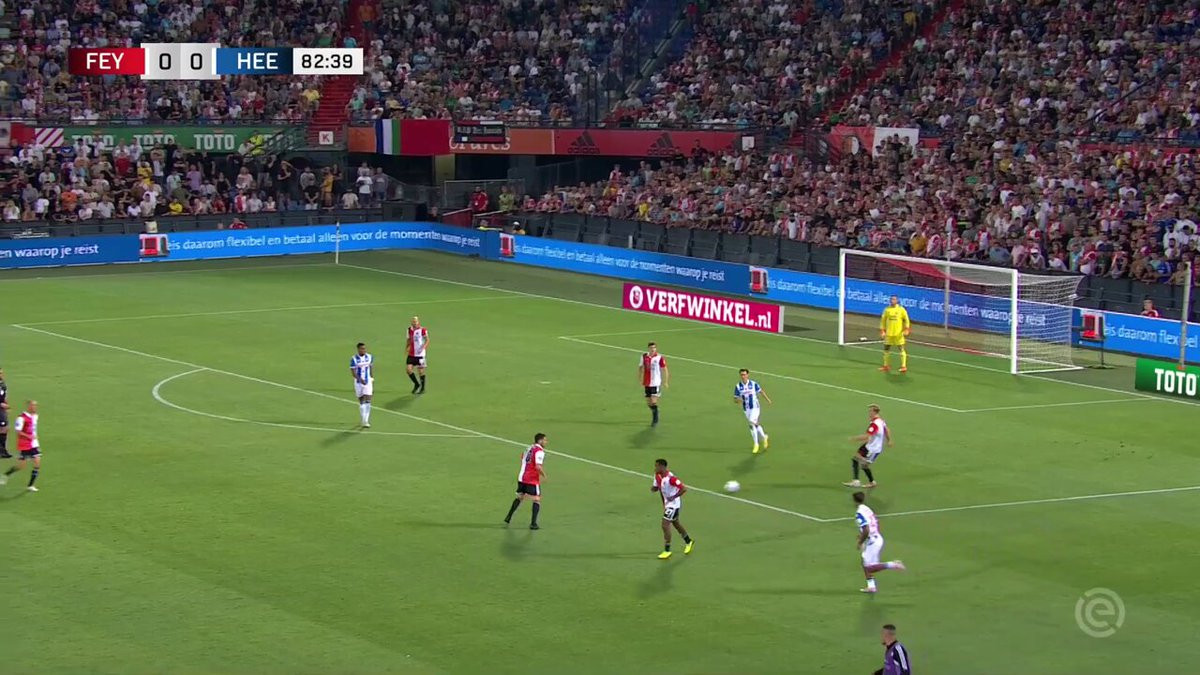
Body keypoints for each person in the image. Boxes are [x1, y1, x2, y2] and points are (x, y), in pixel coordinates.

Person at [852, 492, 905, 593]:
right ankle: (871, 586)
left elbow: (866, 529)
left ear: (854, 501)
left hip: (872, 542)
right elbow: (873, 523)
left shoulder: (859, 513)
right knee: (864, 562)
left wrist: (860, 541)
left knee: (869, 568)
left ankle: (893, 564)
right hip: (876, 538)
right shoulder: (867, 509)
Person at [652, 458, 693, 559]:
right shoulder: (657, 476)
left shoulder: (671, 478)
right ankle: (688, 541)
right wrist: (654, 488)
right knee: (676, 523)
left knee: (665, 524)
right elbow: (657, 487)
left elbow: (683, 489)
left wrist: (673, 497)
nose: (655, 468)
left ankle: (667, 550)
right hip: (667, 505)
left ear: (662, 466)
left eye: (657, 466)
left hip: (674, 505)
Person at [505, 433, 547, 529]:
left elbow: (522, 458)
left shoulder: (528, 448)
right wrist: (544, 475)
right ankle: (533, 524)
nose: (546, 442)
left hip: (522, 477)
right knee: (536, 499)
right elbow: (538, 466)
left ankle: (508, 517)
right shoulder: (539, 451)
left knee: (520, 497)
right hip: (532, 479)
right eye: (545, 440)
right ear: (540, 441)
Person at [845, 404, 891, 488]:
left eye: (870, 411)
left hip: (872, 448)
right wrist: (889, 440)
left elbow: (867, 436)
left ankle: (865, 482)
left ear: (874, 412)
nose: (869, 413)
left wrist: (854, 438)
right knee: (856, 459)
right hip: (869, 445)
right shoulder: (880, 421)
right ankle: (861, 481)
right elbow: (886, 430)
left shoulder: (875, 424)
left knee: (863, 464)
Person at [1, 400, 41, 492]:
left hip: (34, 444)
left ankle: (30, 485)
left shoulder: (35, 416)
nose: (35, 407)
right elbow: (18, 431)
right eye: (33, 405)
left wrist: (33, 437)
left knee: (37, 463)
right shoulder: (21, 418)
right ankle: (6, 475)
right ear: (29, 406)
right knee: (21, 466)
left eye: (36, 405)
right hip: (25, 445)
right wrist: (29, 436)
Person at [734, 369, 772, 454]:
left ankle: (756, 444)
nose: (743, 376)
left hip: (755, 407)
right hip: (746, 409)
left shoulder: (753, 384)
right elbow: (735, 399)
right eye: (741, 375)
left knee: (751, 423)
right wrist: (739, 400)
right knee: (755, 425)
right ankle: (764, 437)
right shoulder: (738, 386)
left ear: (748, 375)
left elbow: (761, 391)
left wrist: (768, 399)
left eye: (744, 374)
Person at [639, 342, 669, 426]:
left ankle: (655, 420)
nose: (653, 349)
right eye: (651, 348)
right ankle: (656, 410)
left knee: (653, 401)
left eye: (654, 348)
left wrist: (665, 381)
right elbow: (640, 368)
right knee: (648, 403)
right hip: (647, 383)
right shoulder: (644, 356)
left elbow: (665, 369)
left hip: (655, 383)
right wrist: (640, 379)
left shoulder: (659, 357)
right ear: (648, 348)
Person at [879, 296, 911, 373]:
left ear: (897, 301)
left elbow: (906, 319)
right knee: (886, 349)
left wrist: (907, 329)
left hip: (898, 334)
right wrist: (882, 330)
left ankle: (903, 366)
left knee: (901, 349)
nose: (892, 301)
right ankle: (886, 366)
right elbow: (883, 320)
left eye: (894, 299)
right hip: (889, 334)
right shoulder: (887, 310)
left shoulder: (901, 309)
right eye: (891, 299)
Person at [350, 342, 374, 428]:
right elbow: (353, 373)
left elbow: (370, 367)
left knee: (368, 400)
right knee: (362, 402)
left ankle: (365, 421)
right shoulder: (354, 359)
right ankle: (363, 419)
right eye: (362, 349)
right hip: (358, 383)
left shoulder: (370, 357)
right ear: (358, 349)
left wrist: (371, 377)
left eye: (365, 348)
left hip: (368, 382)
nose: (364, 350)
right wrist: (360, 380)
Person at [405, 316, 429, 394]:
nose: (414, 323)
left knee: (421, 371)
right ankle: (416, 384)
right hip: (411, 354)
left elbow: (427, 340)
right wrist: (406, 348)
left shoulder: (423, 330)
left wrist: (423, 348)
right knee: (408, 370)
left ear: (418, 322)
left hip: (420, 355)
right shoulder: (409, 330)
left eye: (415, 321)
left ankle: (423, 388)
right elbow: (409, 340)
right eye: (413, 321)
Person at [0, 367, 10, 458]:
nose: (1, 375)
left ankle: (2, 450)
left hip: (2, 410)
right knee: (3, 428)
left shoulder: (2, 384)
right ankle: (2, 451)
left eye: (1, 373)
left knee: (5, 428)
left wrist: (6, 405)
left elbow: (4, 396)